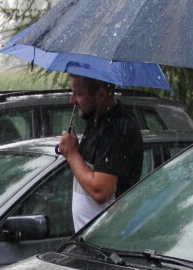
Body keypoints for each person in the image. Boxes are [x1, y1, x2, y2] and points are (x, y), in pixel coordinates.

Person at [56, 74, 143, 229]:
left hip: (106, 242)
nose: (72, 101)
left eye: (78, 94)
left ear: (100, 95)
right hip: (88, 241)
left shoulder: (117, 128)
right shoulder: (97, 120)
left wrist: (72, 154)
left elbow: (100, 192)